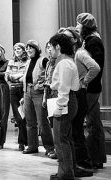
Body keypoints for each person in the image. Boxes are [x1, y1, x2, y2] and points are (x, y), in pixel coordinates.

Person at [63, 27, 100, 175]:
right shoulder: (69, 55)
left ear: (75, 38)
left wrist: (84, 81)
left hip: (79, 94)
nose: (64, 39)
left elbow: (95, 67)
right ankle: (78, 163)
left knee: (77, 131)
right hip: (73, 93)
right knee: (74, 131)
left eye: (67, 37)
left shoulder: (80, 53)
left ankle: (85, 164)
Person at [76, 12, 106, 169]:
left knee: (92, 124)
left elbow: (96, 67)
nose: (76, 26)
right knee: (94, 122)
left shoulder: (93, 41)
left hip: (91, 88)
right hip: (92, 87)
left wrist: (84, 81)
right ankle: (97, 158)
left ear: (85, 26)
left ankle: (95, 158)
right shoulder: (90, 39)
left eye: (79, 24)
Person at [47, 33, 80, 180]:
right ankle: (68, 170)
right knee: (66, 138)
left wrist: (59, 108)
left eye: (51, 47)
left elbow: (64, 89)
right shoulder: (66, 62)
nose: (50, 50)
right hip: (68, 100)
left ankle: (65, 173)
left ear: (58, 47)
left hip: (65, 101)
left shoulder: (64, 63)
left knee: (61, 140)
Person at [21, 40, 54, 155]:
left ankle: (50, 148)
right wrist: (23, 95)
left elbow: (50, 76)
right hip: (27, 93)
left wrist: (40, 86)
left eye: (31, 48)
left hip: (39, 93)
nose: (29, 50)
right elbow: (26, 78)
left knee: (42, 122)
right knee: (30, 122)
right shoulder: (28, 62)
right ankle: (32, 146)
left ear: (37, 49)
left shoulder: (43, 60)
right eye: (27, 48)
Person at [5, 42, 28, 151]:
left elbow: (26, 77)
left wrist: (14, 77)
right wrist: (19, 76)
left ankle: (23, 141)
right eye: (15, 49)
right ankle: (23, 141)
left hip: (23, 89)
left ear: (24, 50)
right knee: (18, 117)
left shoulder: (28, 61)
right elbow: (7, 76)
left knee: (24, 116)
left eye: (19, 48)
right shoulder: (11, 61)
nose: (17, 50)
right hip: (13, 89)